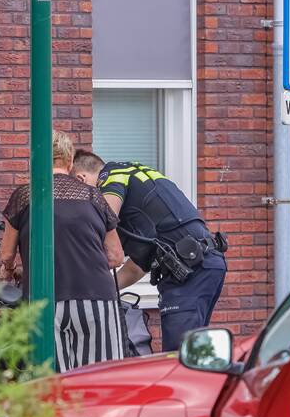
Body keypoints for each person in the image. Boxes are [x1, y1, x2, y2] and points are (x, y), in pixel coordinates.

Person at [71, 150, 227, 352]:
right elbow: (136, 268)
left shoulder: (112, 175)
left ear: (80, 179)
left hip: (189, 271)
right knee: (192, 353)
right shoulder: (136, 177)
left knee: (177, 356)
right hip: (202, 265)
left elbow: (104, 220)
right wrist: (104, 289)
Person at [0, 130, 126, 371]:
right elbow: (116, 256)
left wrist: (10, 269)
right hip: (96, 299)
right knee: (100, 377)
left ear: (35, 161)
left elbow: (6, 255)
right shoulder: (94, 196)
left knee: (52, 381)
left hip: (43, 302)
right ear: (70, 161)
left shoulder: (24, 196)